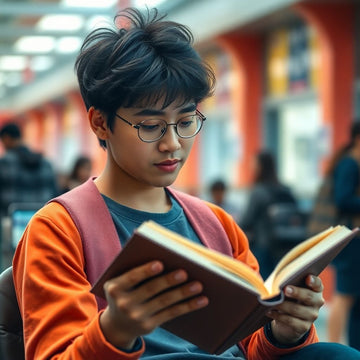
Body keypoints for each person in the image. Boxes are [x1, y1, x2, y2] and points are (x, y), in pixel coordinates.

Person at [12, 7, 360, 360]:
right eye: (150, 126)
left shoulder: (216, 224)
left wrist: (283, 332)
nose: (172, 143)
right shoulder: (58, 230)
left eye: (186, 121)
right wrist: (114, 330)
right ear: (100, 123)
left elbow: (251, 347)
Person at [0, 122, 58, 269]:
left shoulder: (4, 163)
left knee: (10, 271)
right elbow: (55, 196)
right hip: (43, 225)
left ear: (6, 138)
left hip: (11, 227)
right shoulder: (46, 163)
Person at [239, 151, 303, 279]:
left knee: (265, 285)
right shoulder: (285, 189)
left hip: (264, 246)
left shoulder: (259, 191)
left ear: (260, 166)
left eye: (254, 163)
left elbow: (246, 221)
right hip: (286, 245)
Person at [325, 121, 360, 350]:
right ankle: (333, 348)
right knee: (344, 296)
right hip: (350, 241)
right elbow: (343, 199)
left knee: (354, 299)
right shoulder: (349, 163)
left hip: (354, 240)